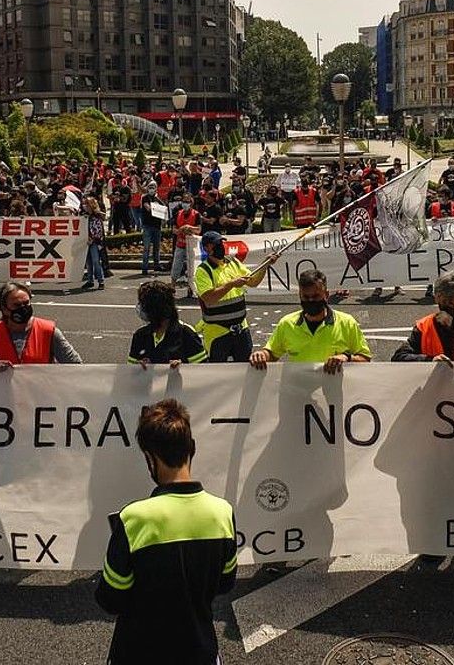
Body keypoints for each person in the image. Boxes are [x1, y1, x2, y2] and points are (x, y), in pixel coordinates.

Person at [96, 399, 237, 665]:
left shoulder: (133, 519)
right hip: (200, 651)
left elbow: (110, 598)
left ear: (151, 458)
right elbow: (225, 583)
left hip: (137, 653)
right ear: (191, 449)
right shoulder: (223, 512)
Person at [250, 268, 371, 374]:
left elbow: (365, 358)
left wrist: (347, 357)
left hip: (333, 394)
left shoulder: (347, 323)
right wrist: (262, 355)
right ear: (299, 295)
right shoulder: (287, 324)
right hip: (299, 393)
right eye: (306, 297)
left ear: (326, 295)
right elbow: (272, 354)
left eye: (316, 296)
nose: (311, 300)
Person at [194, 230, 278, 363]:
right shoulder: (203, 271)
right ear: (207, 248)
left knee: (245, 367)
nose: (221, 246)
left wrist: (265, 264)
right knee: (218, 370)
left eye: (221, 243)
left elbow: (253, 281)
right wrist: (231, 284)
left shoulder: (233, 262)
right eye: (216, 244)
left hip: (241, 329)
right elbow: (209, 299)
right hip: (217, 332)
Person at [0, 281, 82, 367]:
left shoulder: (48, 331)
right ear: (4, 309)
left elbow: (77, 367)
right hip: (5, 394)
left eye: (26, 303)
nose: (23, 309)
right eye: (17, 305)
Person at [128, 280, 207, 367]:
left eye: (143, 305)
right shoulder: (140, 335)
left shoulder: (186, 333)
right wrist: (138, 366)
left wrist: (183, 366)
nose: (140, 308)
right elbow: (129, 370)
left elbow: (202, 371)